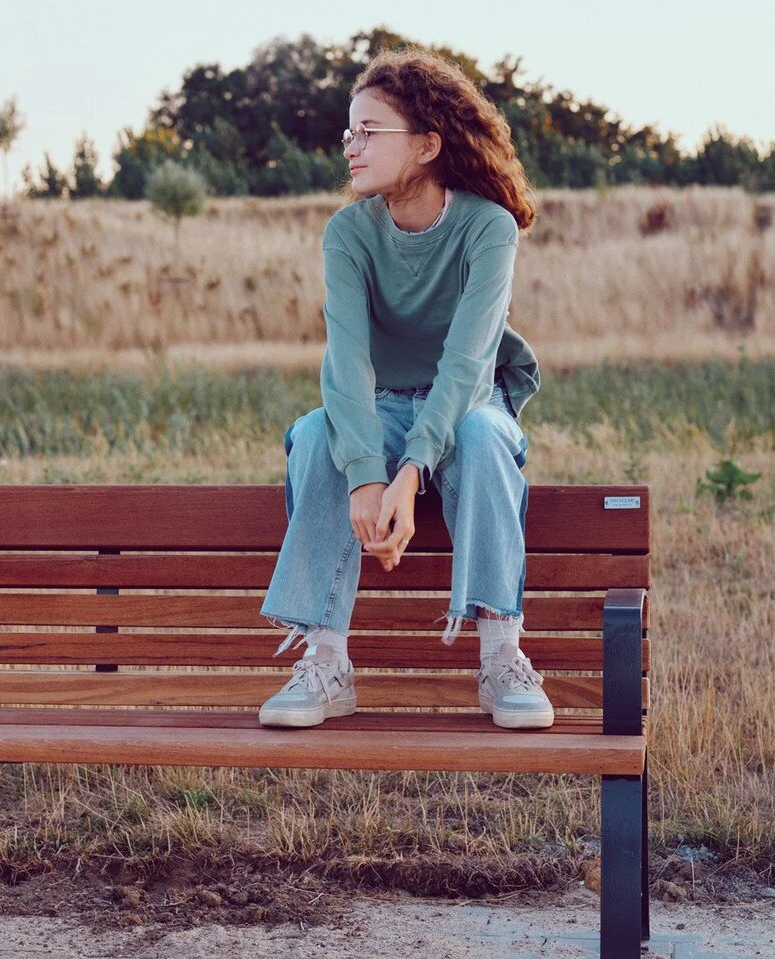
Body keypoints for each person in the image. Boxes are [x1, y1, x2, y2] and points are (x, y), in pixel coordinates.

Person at [257, 47, 549, 731]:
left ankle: (502, 654)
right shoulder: (348, 234)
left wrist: (411, 471)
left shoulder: (487, 228)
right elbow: (347, 366)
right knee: (312, 435)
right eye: (348, 133)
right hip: (381, 404)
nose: (351, 148)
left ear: (425, 144)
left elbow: (468, 363)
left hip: (473, 399)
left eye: (369, 132)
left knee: (477, 435)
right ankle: (326, 661)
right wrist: (365, 476)